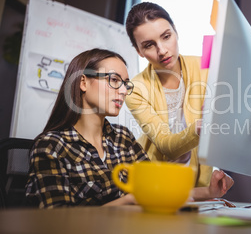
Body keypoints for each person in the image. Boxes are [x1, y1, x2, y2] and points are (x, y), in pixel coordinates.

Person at [25, 48, 234, 208]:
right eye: (114, 80)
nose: (124, 91)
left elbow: (160, 190)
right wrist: (127, 202)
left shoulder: (122, 138)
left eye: (126, 83)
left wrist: (209, 191)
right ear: (83, 83)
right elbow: (57, 221)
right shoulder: (51, 146)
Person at [125, 2, 212, 187]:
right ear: (139, 51)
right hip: (156, 183)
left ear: (176, 32)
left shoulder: (205, 69)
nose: (162, 50)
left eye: (166, 36)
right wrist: (200, 127)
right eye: (149, 45)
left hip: (200, 186)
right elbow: (166, 145)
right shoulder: (135, 89)